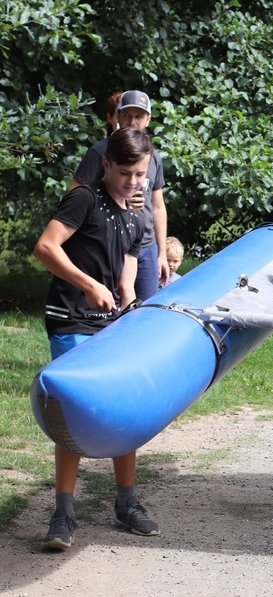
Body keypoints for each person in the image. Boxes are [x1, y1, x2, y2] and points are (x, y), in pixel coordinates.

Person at [34, 127, 162, 550]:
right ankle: (63, 514)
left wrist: (127, 293)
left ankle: (126, 503)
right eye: (125, 172)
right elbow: (46, 248)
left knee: (125, 405)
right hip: (71, 319)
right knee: (73, 412)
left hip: (111, 323)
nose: (132, 181)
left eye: (140, 174)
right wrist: (88, 284)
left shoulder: (137, 210)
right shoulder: (84, 198)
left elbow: (129, 257)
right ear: (105, 164)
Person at [69, 90, 170, 300]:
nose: (133, 121)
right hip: (109, 246)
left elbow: (158, 207)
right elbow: (74, 196)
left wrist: (161, 253)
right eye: (127, 115)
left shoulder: (155, 157)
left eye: (139, 116)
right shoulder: (100, 153)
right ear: (118, 116)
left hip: (145, 247)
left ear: (148, 119)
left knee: (146, 312)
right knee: (111, 315)